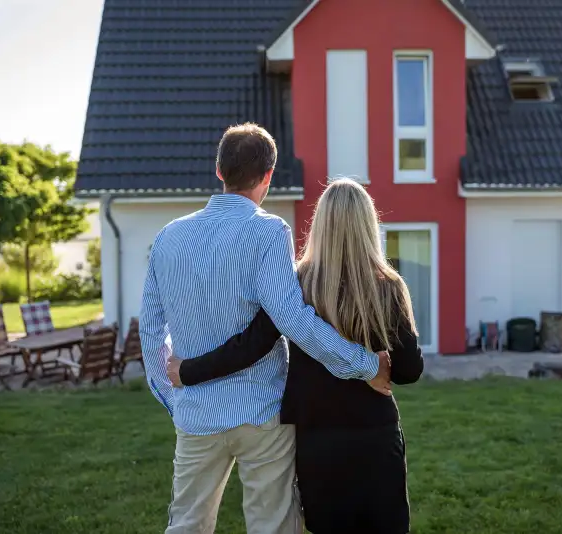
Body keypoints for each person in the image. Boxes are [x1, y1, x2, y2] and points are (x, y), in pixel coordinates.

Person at [139, 123, 392, 534]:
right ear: (269, 176)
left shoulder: (169, 237)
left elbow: (150, 329)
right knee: (271, 526)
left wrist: (173, 398)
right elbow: (292, 319)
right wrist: (365, 364)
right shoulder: (269, 231)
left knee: (186, 526)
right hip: (262, 415)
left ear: (219, 170)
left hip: (196, 415)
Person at [167, 178, 424, 534]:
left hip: (317, 439)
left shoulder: (296, 283)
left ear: (320, 224)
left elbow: (251, 344)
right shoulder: (388, 286)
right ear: (368, 224)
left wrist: (188, 370)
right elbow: (409, 370)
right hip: (374, 435)